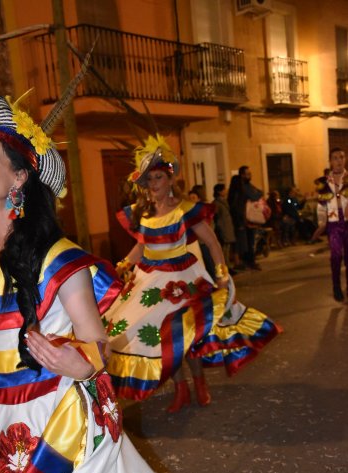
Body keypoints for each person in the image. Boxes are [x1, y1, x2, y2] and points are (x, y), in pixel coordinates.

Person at [0, 94, 275, 473]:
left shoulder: (59, 259)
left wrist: (72, 362)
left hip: (47, 422)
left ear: (19, 179)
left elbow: (98, 348)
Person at [104, 135, 281, 414]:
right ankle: (181, 389)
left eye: (159, 177)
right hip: (149, 279)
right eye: (150, 179)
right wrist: (124, 264)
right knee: (161, 338)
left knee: (185, 335)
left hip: (181, 279)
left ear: (171, 178)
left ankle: (199, 384)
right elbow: (142, 245)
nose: (154, 184)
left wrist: (222, 273)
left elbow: (211, 243)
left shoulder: (186, 210)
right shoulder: (143, 213)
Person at [312, 147, 348, 301]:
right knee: (335, 256)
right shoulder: (324, 183)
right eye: (335, 158)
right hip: (333, 224)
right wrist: (321, 224)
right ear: (330, 161)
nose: (339, 161)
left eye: (341, 157)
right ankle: (336, 287)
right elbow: (321, 206)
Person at [228, 166, 263, 270]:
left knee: (247, 242)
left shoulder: (246, 186)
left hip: (246, 218)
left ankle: (248, 261)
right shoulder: (241, 190)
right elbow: (255, 195)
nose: (249, 176)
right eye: (247, 174)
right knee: (246, 242)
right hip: (244, 219)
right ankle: (247, 261)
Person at [188, 183, 216, 279]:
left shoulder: (201, 211)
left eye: (193, 197)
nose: (191, 200)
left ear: (198, 198)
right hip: (196, 244)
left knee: (210, 264)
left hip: (203, 242)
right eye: (189, 198)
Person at [213, 182, 236, 268]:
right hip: (222, 228)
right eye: (224, 189)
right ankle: (226, 266)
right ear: (219, 191)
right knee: (223, 249)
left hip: (227, 227)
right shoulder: (217, 203)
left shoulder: (224, 201)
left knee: (227, 248)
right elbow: (215, 216)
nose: (226, 191)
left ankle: (228, 265)